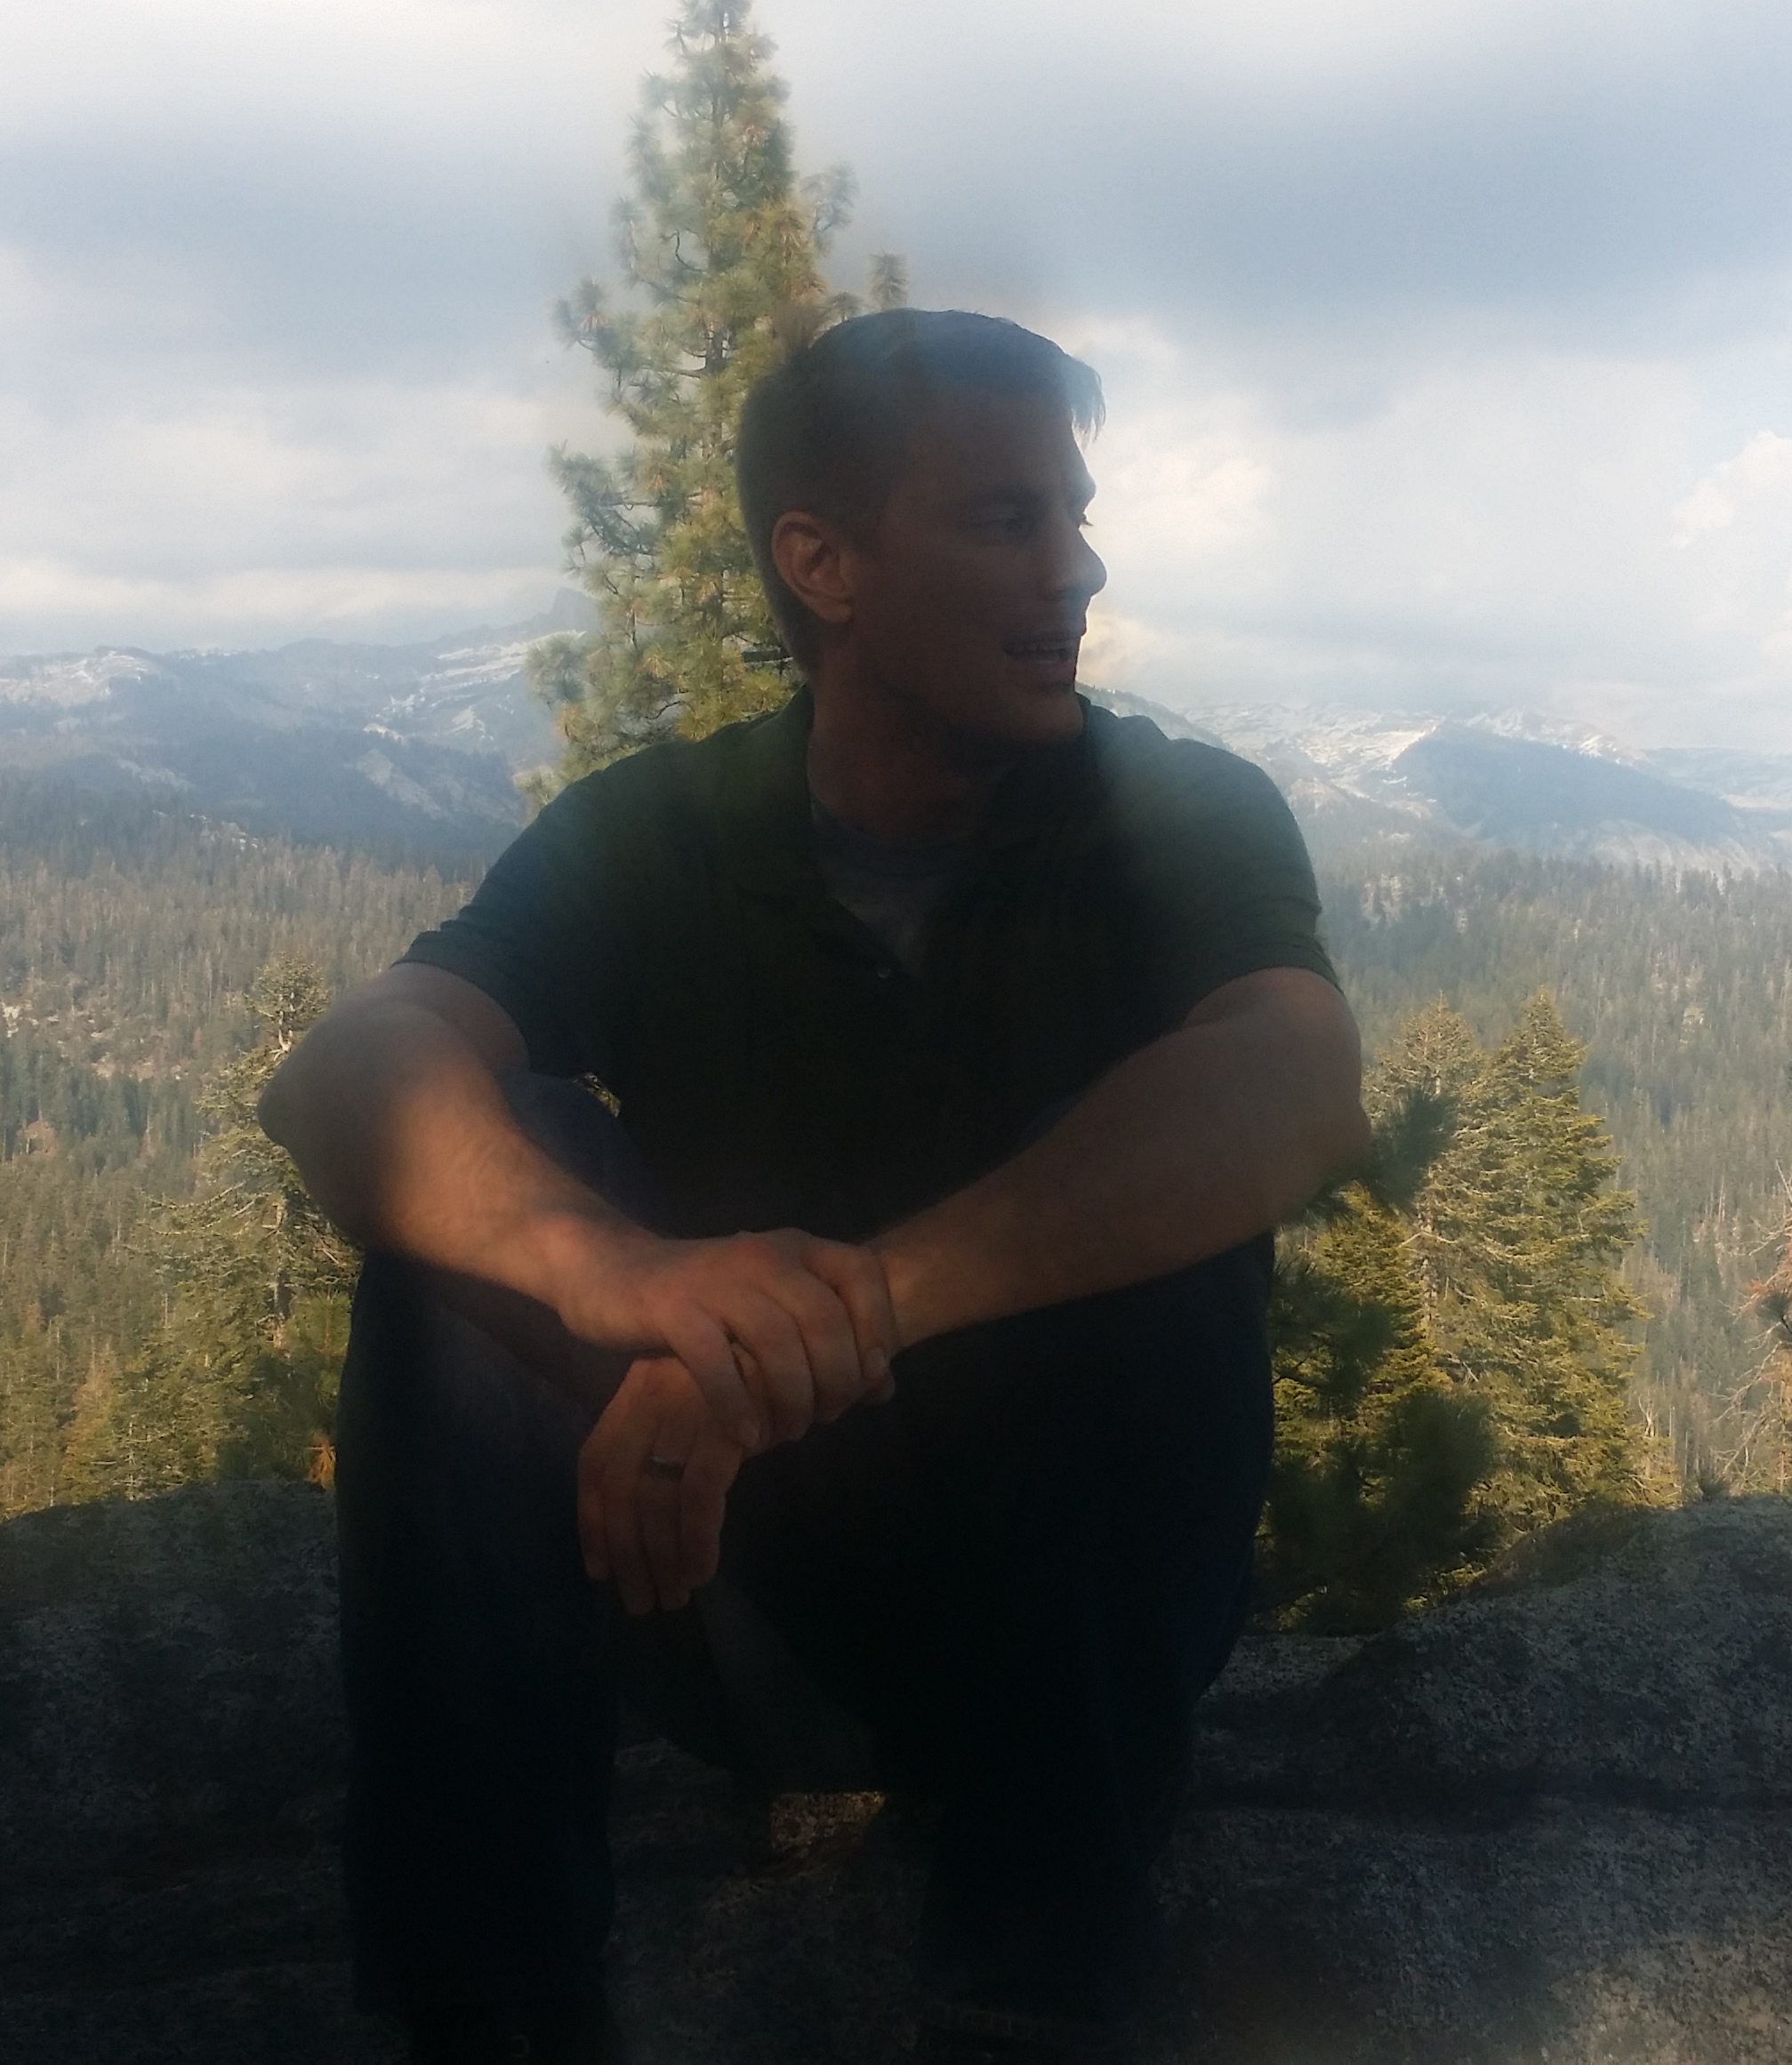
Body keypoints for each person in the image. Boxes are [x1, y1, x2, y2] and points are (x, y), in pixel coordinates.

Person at [261, 309, 1368, 2065]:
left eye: (1076, 517)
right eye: (1005, 520)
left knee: (1165, 1188)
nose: (1075, 571)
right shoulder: (662, 834)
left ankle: (1033, 1999)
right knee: (477, 1219)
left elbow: (1296, 1078)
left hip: (1058, 1634)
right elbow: (346, 1077)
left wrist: (842, 1317)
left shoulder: (1170, 817)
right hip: (709, 1593)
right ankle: (496, 2014)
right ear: (822, 563)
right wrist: (614, 1275)